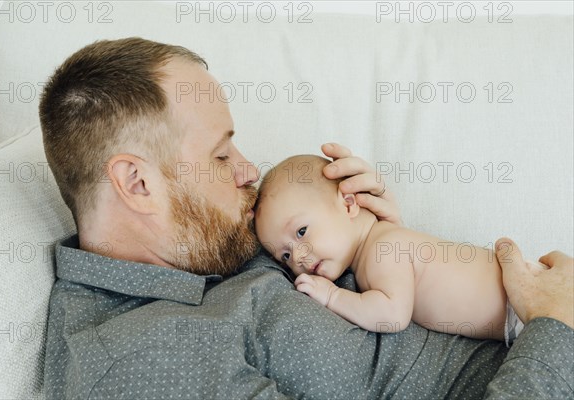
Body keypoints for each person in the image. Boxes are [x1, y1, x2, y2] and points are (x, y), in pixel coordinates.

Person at [40, 37, 573, 399]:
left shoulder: (205, 241)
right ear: (137, 184)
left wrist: (370, 240)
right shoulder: (137, 361)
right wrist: (557, 330)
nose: (250, 171)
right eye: (221, 157)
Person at [255, 155, 542, 346]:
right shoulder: (383, 244)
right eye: (286, 256)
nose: (300, 258)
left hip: (525, 305)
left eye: (302, 232)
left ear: (348, 203)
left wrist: (332, 296)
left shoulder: (383, 249)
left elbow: (392, 315)